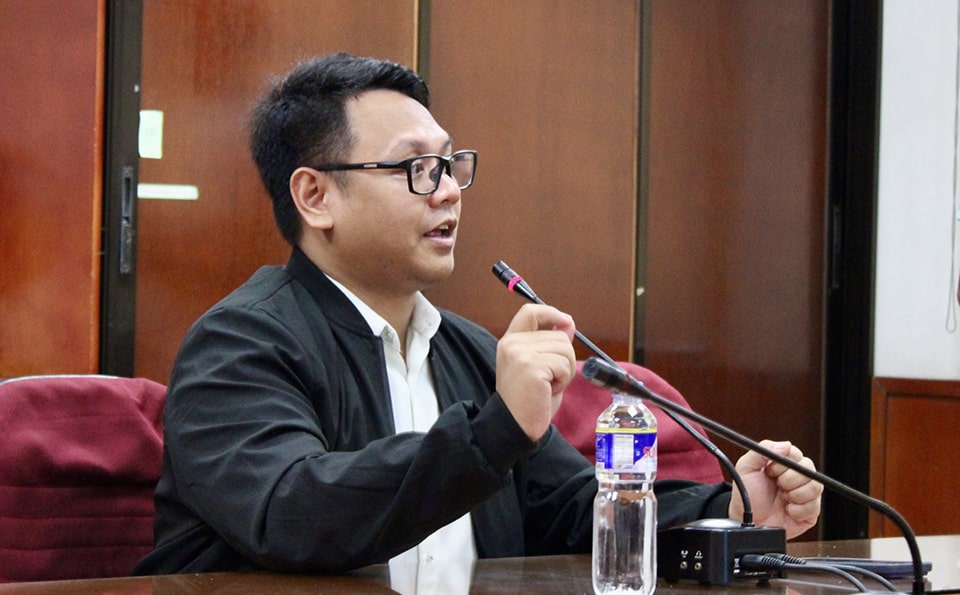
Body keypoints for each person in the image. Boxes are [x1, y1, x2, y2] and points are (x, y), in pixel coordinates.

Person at [133, 53, 822, 577]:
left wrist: (728, 509)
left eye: (451, 165)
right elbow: (292, 510)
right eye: (416, 170)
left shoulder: (461, 346)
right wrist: (495, 429)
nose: (449, 194)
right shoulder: (239, 342)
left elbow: (564, 509)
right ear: (316, 196)